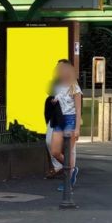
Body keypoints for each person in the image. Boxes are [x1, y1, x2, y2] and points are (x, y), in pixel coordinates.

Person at [48, 60, 82, 188]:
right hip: (59, 120)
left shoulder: (74, 87)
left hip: (70, 120)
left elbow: (78, 109)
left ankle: (68, 180)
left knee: (68, 151)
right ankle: (72, 170)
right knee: (55, 151)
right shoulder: (57, 85)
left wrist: (77, 128)